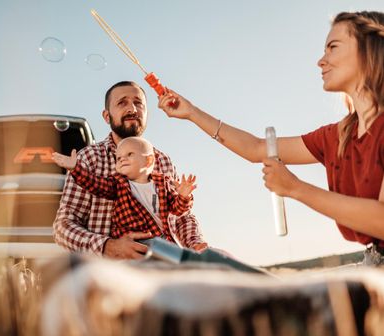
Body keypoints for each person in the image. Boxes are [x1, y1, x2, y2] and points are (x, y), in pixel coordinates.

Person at [158, 11, 384, 266]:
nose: (321, 61)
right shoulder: (340, 135)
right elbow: (257, 149)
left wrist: (295, 188)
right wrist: (191, 113)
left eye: (333, 47)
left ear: (370, 49)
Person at [53, 81, 208, 259]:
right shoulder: (89, 158)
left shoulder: (163, 161)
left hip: (163, 262)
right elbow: (63, 226)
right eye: (122, 103)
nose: (132, 109)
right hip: (109, 273)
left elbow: (181, 217)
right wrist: (108, 246)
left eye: (138, 103)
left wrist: (195, 242)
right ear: (106, 116)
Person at [52, 136, 197, 242]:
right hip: (132, 242)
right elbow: (95, 184)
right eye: (118, 157)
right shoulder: (118, 184)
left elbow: (177, 210)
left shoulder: (163, 184)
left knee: (178, 260)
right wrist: (76, 168)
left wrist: (183, 196)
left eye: (129, 154)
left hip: (162, 240)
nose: (122, 159)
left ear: (149, 160)